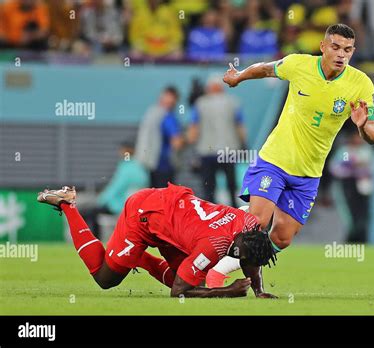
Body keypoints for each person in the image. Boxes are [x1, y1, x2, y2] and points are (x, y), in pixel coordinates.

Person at [207, 23, 374, 287]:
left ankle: (230, 252)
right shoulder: (299, 64)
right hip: (275, 160)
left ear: (352, 51)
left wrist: (361, 126)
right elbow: (265, 68)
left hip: (309, 173)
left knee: (283, 237)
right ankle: (218, 260)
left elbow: (372, 135)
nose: (341, 54)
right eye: (335, 47)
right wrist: (239, 76)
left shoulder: (361, 84)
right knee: (258, 222)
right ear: (323, 47)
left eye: (347, 49)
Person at [37, 183, 277, 298]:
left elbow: (250, 256)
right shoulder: (214, 246)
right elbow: (178, 292)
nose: (239, 260)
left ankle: (135, 256)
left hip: (173, 213)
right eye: (239, 255)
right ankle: (67, 204)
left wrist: (259, 290)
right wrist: (226, 290)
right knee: (105, 278)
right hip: (144, 213)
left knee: (195, 279)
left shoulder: (250, 224)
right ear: (239, 244)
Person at [188, 75, 247, 208]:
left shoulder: (200, 104)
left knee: (209, 187)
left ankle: (210, 213)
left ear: (209, 88)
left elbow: (193, 130)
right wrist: (244, 144)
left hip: (207, 152)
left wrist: (192, 145)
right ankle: (234, 212)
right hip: (229, 151)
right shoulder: (233, 102)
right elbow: (240, 127)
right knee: (231, 185)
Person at [81, 141, 149, 240]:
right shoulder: (140, 168)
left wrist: (101, 200)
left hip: (118, 206)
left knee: (88, 213)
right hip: (134, 206)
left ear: (127, 151)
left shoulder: (126, 167)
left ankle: (93, 240)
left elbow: (116, 188)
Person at [135, 86, 184, 188]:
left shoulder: (152, 113)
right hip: (162, 164)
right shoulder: (167, 116)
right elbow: (177, 142)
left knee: (155, 195)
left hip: (154, 163)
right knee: (164, 197)